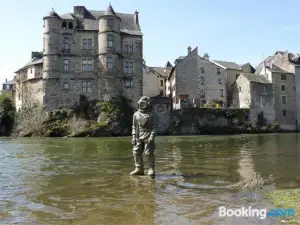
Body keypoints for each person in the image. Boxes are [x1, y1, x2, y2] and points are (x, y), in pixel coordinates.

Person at [130, 96, 157, 176]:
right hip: (138, 135)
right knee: (136, 151)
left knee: (149, 152)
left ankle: (151, 169)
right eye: (141, 103)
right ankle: (139, 168)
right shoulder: (136, 114)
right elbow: (134, 126)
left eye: (144, 103)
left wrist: (152, 136)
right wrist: (134, 136)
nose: (142, 105)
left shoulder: (152, 114)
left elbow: (155, 127)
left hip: (148, 134)